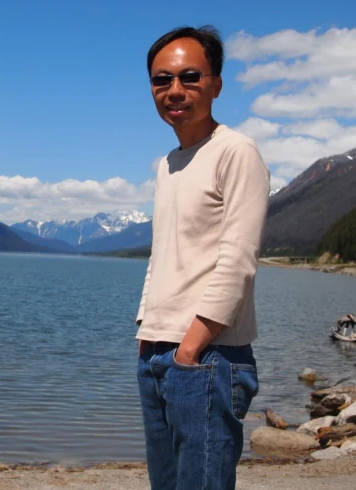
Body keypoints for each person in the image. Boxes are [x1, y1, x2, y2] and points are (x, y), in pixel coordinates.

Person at [136, 25, 270, 490]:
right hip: (157, 352)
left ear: (215, 83)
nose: (174, 90)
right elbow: (162, 253)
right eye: (161, 80)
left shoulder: (236, 152)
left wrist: (190, 349)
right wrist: (146, 328)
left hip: (209, 357)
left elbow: (239, 260)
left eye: (189, 77)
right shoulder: (168, 163)